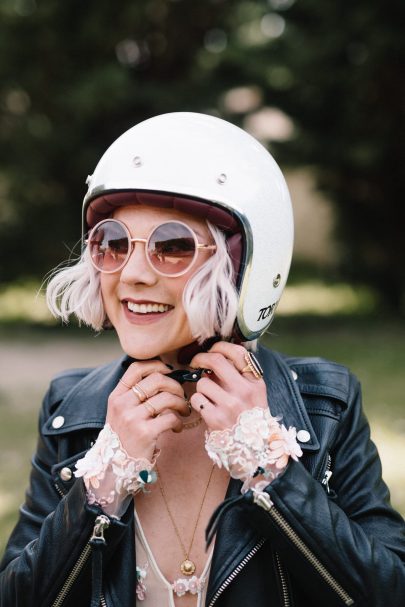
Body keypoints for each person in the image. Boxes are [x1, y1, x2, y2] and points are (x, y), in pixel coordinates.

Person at [1, 112, 404, 607]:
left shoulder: (326, 404)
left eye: (172, 247)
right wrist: (101, 486)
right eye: (114, 242)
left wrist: (269, 469)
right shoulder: (71, 409)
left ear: (242, 265)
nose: (132, 276)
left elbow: (388, 590)